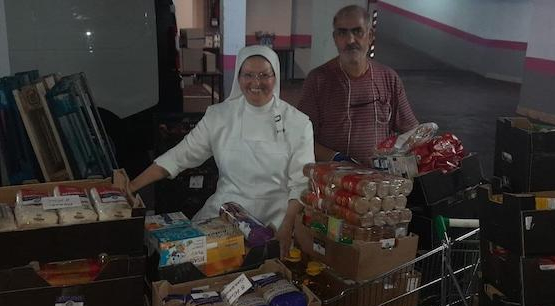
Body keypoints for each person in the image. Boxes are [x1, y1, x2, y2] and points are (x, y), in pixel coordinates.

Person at [129, 46, 314, 256]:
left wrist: (287, 228)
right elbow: (179, 156)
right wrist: (132, 187)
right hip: (225, 215)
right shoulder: (219, 116)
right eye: (248, 75)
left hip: (276, 221)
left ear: (276, 77)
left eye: (264, 75)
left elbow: (301, 184)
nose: (256, 82)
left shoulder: (298, 123)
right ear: (238, 76)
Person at [297, 5, 419, 166]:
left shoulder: (389, 78)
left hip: (380, 182)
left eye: (357, 31)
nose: (350, 40)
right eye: (342, 33)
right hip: (334, 181)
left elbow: (411, 131)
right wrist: (338, 159)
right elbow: (300, 138)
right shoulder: (318, 80)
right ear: (335, 38)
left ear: (370, 36)